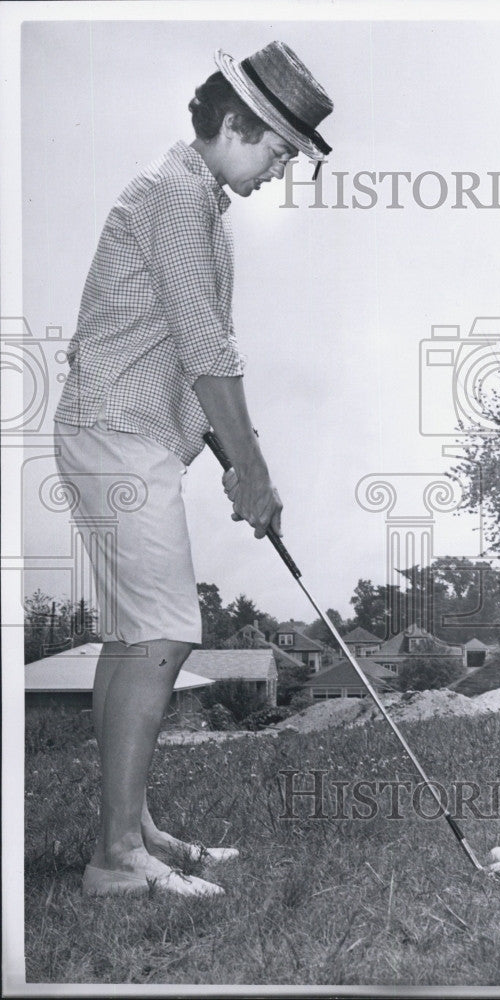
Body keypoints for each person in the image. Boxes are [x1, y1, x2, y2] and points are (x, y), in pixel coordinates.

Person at [53, 42, 334, 897]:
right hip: (118, 435)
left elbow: (192, 353)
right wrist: (251, 468)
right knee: (165, 630)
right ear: (235, 124)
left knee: (131, 635)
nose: (281, 168)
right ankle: (115, 861)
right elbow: (208, 348)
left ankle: (132, 828)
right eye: (279, 150)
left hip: (125, 432)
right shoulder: (175, 195)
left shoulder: (200, 202)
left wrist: (239, 462)